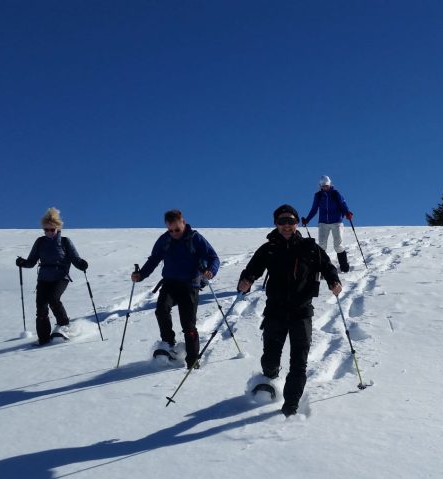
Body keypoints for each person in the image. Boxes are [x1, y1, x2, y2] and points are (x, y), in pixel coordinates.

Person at [238, 204, 342, 416]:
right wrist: (246, 280)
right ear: (276, 223)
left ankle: (291, 405)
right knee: (270, 359)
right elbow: (253, 269)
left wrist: (334, 281)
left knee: (299, 362)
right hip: (275, 310)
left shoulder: (310, 248)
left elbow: (328, 267)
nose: (286, 225)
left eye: (291, 221)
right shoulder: (268, 248)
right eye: (282, 221)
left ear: (296, 223)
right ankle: (270, 377)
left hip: (301, 312)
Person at [131, 209, 220, 367]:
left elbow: (213, 257)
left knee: (188, 325)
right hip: (170, 283)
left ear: (183, 223)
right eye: (170, 230)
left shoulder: (195, 238)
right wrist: (141, 274)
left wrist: (210, 271)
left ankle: (193, 359)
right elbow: (154, 260)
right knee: (161, 310)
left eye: (177, 230)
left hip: (190, 285)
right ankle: (168, 343)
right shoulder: (165, 240)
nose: (174, 233)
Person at [15, 207, 88, 345]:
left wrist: (82, 265)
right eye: (46, 230)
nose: (49, 232)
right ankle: (43, 338)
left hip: (61, 277)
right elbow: (31, 262)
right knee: (41, 307)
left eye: (52, 229)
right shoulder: (40, 242)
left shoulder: (65, 242)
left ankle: (64, 325)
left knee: (53, 299)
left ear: (58, 228)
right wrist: (22, 263)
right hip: (43, 278)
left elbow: (75, 258)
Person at [302, 175, 354, 273]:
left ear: (330, 184)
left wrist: (347, 213)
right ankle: (322, 269)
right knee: (321, 246)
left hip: (336, 222)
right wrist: (307, 219)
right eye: (323, 186)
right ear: (320, 186)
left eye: (326, 185)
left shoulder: (335, 193)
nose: (325, 187)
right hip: (323, 223)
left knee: (338, 246)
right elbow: (314, 209)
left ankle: (344, 267)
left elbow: (343, 205)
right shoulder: (318, 195)